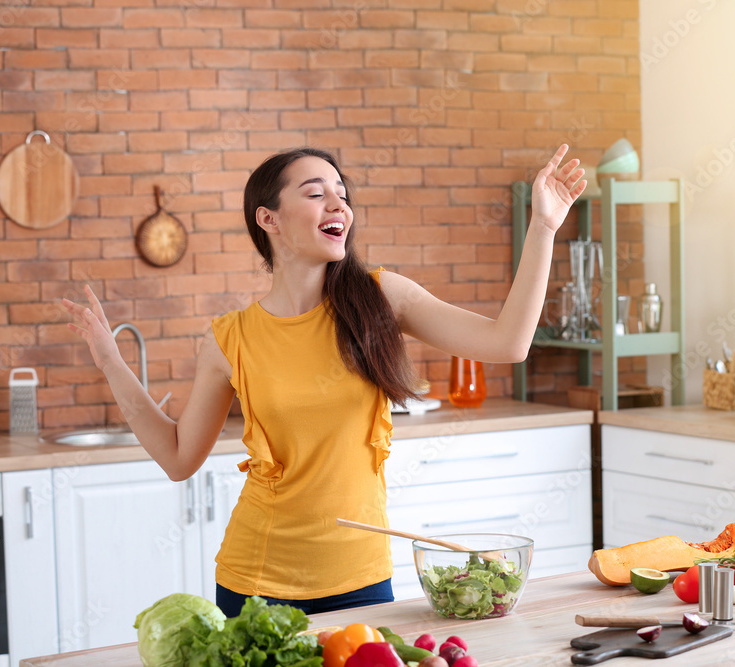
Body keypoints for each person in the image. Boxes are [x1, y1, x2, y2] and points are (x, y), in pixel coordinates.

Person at [61, 144, 586, 617]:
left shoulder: (381, 298)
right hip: (256, 582)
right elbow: (179, 458)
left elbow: (508, 343)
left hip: (361, 576)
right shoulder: (231, 338)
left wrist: (542, 228)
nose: (339, 205)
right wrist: (111, 361)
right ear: (268, 218)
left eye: (341, 194)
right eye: (316, 194)